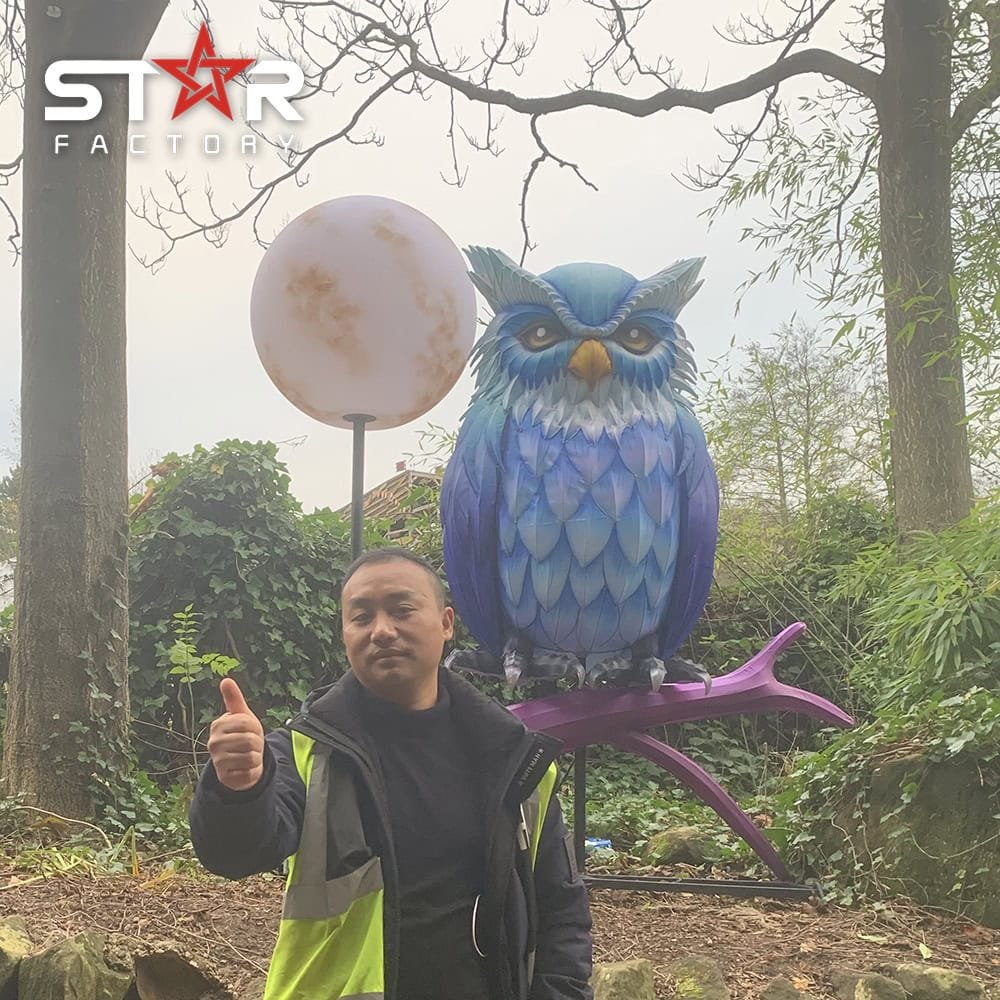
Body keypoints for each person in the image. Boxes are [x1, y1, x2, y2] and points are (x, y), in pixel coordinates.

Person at [189, 546, 593, 1000]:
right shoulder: (306, 753)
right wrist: (238, 789)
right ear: (345, 634)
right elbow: (234, 855)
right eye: (361, 617)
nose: (381, 630)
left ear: (446, 623)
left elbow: (561, 912)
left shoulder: (513, 757)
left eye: (402, 610)